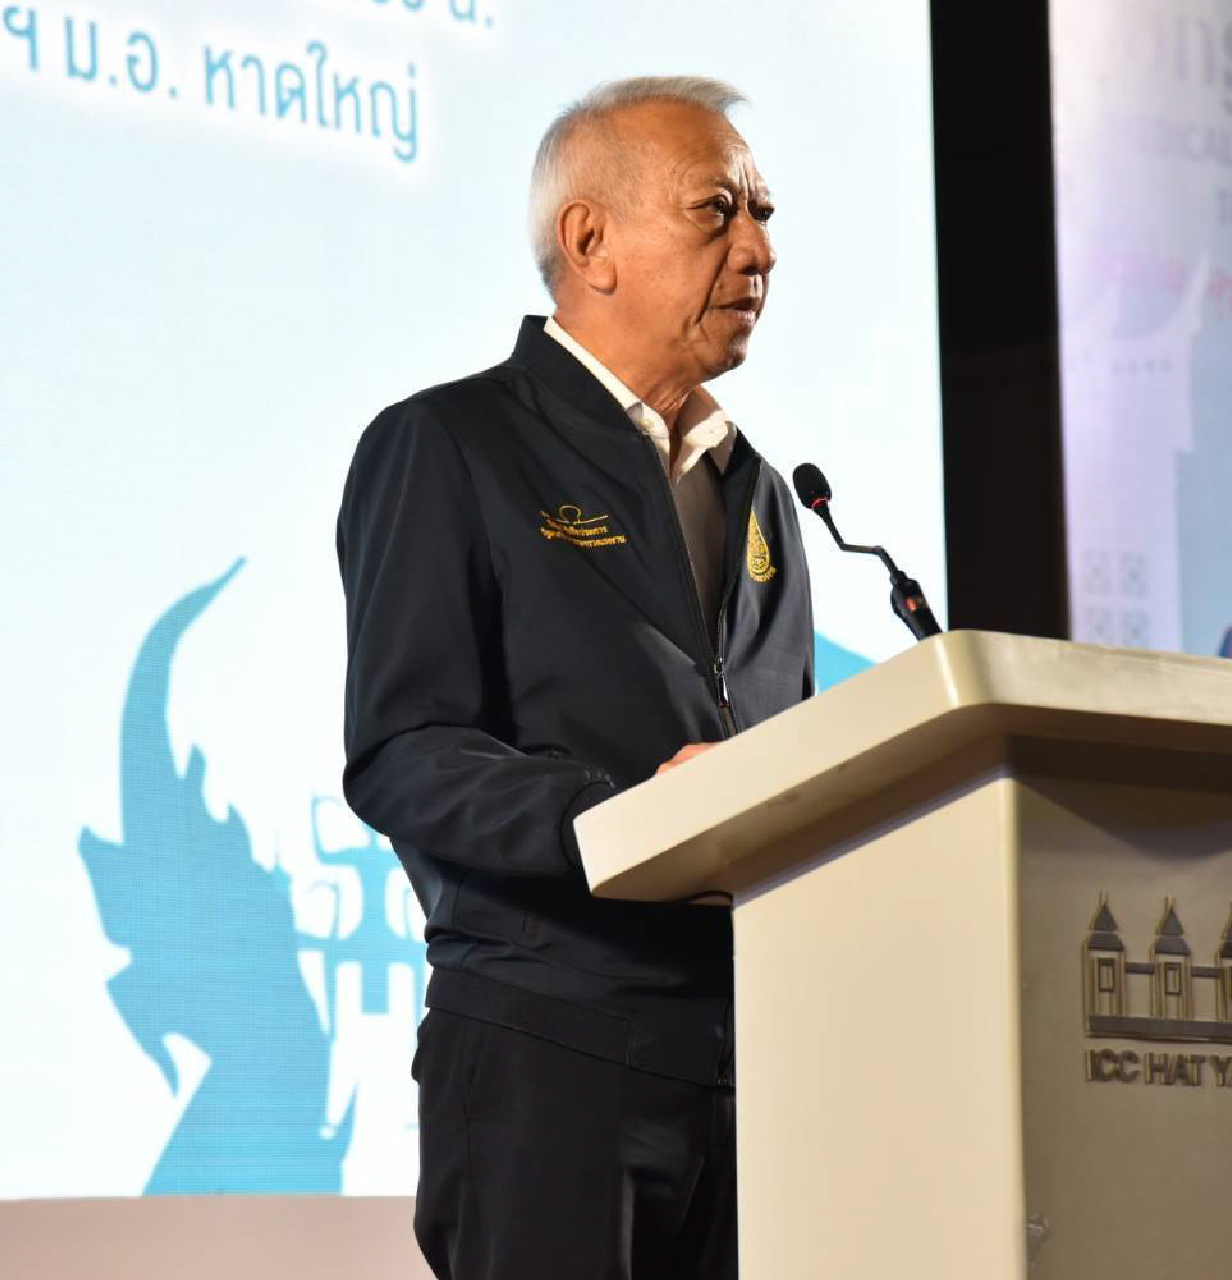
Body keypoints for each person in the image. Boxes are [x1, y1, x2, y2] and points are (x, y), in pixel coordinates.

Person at [336, 76, 813, 1280]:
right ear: (589, 241)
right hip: (553, 1050)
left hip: (759, 1069)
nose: (758, 249)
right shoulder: (450, 444)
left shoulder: (762, 490)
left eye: (763, 214)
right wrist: (628, 817)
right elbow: (403, 754)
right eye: (717, 210)